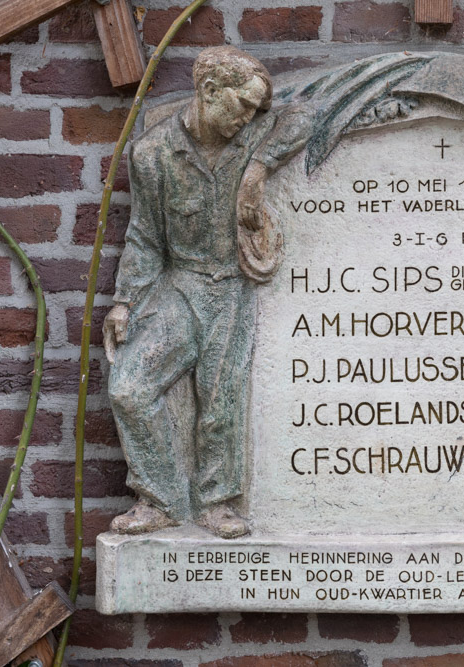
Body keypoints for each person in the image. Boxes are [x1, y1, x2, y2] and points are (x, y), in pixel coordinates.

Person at [104, 46, 303, 539]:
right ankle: (160, 498)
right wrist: (125, 300)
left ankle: (217, 501)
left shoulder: (254, 133)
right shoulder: (152, 154)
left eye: (256, 110)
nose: (247, 118)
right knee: (129, 386)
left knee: (221, 396)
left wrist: (257, 170)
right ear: (210, 91)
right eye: (241, 106)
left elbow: (304, 118)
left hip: (229, 288)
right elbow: (145, 236)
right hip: (179, 284)